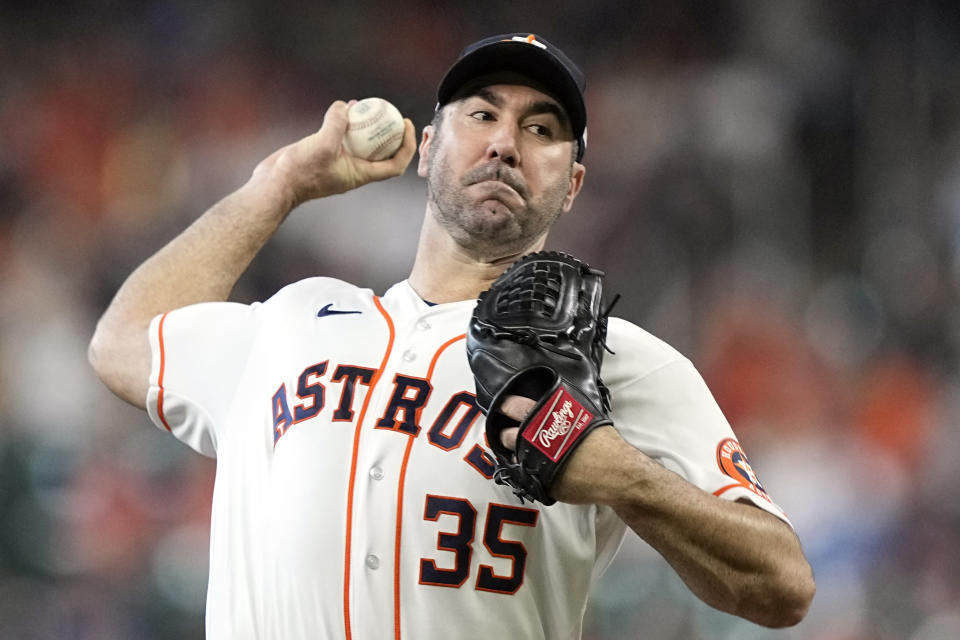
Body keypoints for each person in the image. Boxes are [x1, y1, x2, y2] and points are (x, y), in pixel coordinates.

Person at [89, 33, 815, 639]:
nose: (505, 144)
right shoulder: (294, 319)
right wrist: (278, 183)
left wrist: (621, 476)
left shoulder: (618, 360)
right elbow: (122, 342)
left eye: (542, 129)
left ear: (574, 184)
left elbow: (782, 585)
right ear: (429, 145)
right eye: (482, 115)